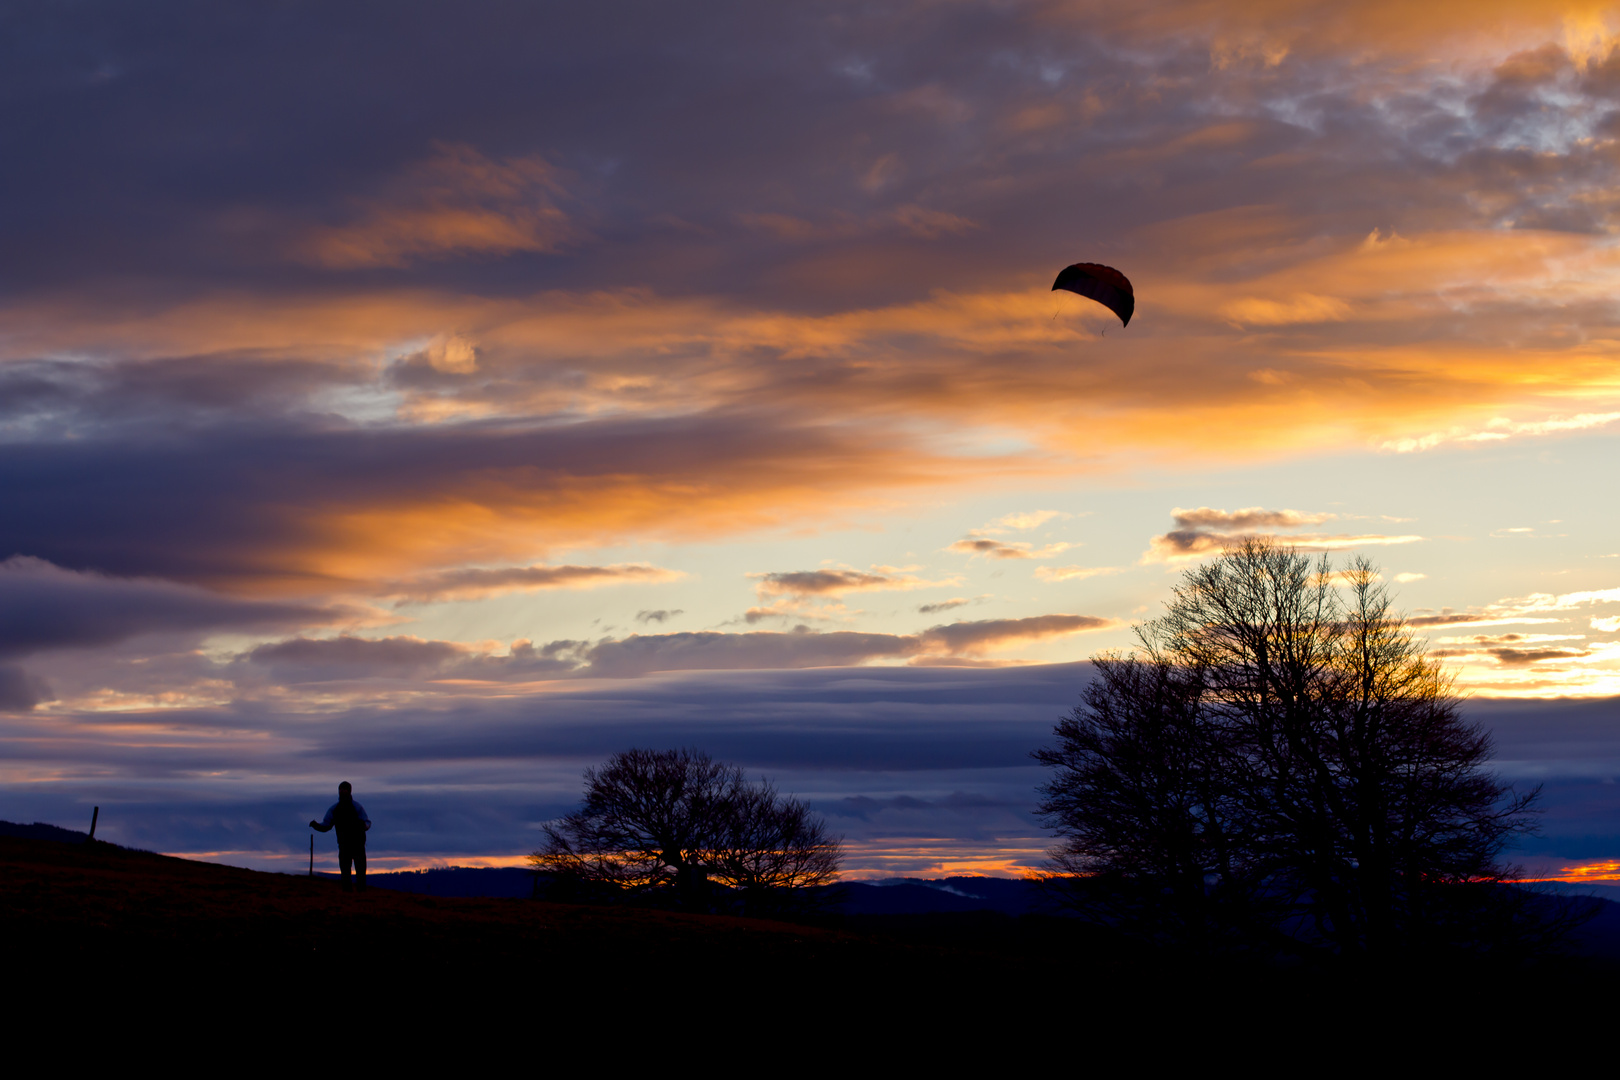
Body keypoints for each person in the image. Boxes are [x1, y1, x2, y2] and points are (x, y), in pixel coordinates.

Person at [310, 781, 371, 890]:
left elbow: (367, 823)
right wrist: (316, 826)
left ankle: (361, 897)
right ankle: (348, 896)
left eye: (345, 789)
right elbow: (326, 825)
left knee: (360, 872)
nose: (342, 791)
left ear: (349, 791)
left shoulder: (356, 807)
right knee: (345, 872)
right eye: (341, 789)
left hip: (358, 845)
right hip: (344, 845)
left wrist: (362, 826)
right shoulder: (334, 809)